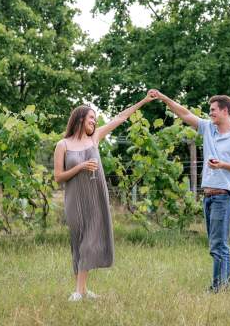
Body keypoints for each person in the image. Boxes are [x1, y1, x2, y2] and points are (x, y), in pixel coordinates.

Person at [53, 92, 156, 302]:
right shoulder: (62, 145)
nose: (95, 121)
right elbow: (58, 177)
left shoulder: (95, 139)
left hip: (96, 199)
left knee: (90, 242)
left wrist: (144, 101)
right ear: (80, 119)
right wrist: (81, 166)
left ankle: (80, 291)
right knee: (79, 242)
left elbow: (120, 118)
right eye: (92, 118)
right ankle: (81, 290)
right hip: (74, 201)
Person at [149, 90, 230, 292]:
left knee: (219, 245)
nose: (210, 113)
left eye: (213, 110)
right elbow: (185, 114)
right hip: (208, 197)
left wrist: (222, 164)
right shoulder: (208, 129)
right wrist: (163, 97)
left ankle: (219, 288)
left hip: (223, 196)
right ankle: (222, 285)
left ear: (225, 111)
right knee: (216, 244)